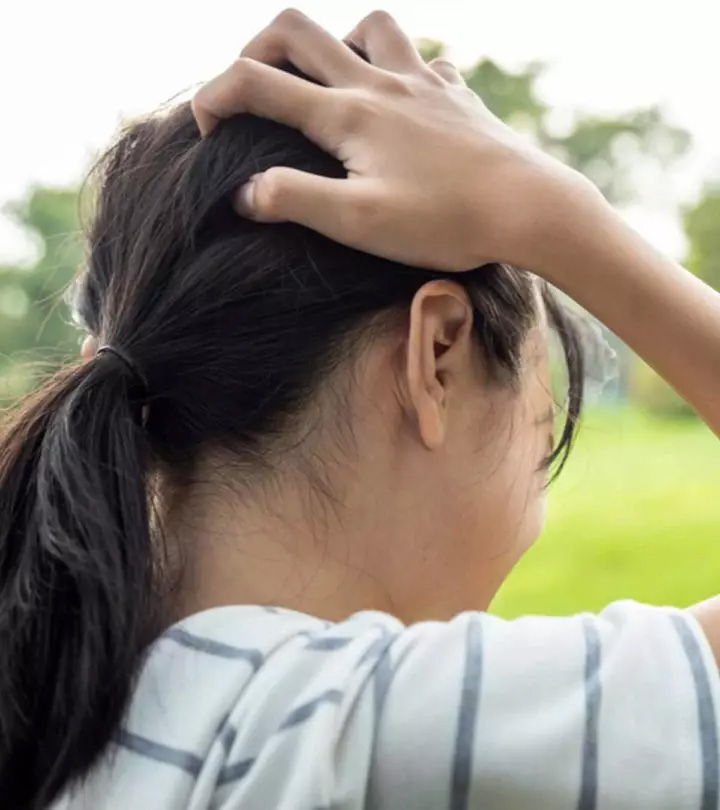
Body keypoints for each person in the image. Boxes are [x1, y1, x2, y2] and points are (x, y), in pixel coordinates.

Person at [1, 9, 719, 810]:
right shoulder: (377, 733)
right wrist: (558, 217)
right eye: (543, 441)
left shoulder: (61, 701)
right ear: (435, 357)